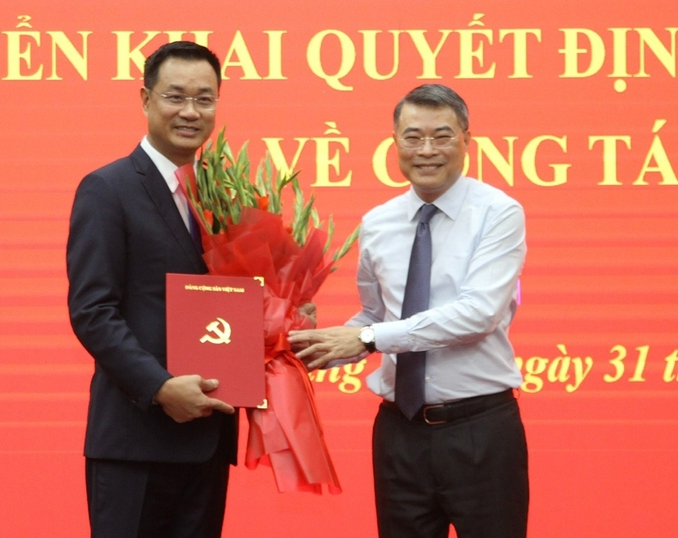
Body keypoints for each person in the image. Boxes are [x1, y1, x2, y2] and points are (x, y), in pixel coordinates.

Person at [288, 84, 529, 538]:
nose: (427, 150)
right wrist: (304, 342)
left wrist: (367, 338)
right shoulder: (378, 222)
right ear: (394, 142)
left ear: (466, 141)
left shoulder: (498, 213)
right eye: (412, 137)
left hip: (480, 430)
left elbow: (478, 314)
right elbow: (373, 317)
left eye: (442, 136)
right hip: (399, 433)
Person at [66, 41, 236, 538]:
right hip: (134, 442)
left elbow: (232, 304)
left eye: (204, 99)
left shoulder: (221, 194)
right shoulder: (108, 188)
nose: (190, 111)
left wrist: (282, 320)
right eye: (175, 96)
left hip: (207, 437)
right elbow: (93, 310)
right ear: (144, 99)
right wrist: (159, 387)